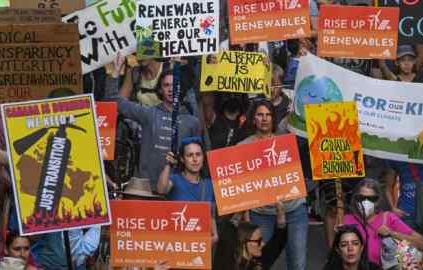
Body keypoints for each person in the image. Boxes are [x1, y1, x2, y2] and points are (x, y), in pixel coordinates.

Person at [105, 53, 201, 193]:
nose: (170, 88)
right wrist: (114, 72)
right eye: (166, 85)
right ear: (160, 90)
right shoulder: (149, 114)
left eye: (174, 85)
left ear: (181, 88)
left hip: (179, 190)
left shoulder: (192, 122)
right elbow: (115, 100)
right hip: (147, 188)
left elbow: (197, 160)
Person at [239, 100, 308, 270]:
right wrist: (246, 216)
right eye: (260, 115)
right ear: (253, 119)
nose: (265, 119)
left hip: (294, 209)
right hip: (261, 214)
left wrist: (296, 112)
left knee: (298, 263)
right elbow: (240, 188)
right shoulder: (242, 147)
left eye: (268, 115)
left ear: (273, 118)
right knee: (259, 263)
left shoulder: (286, 141)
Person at [344, 178, 423, 268]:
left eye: (372, 198)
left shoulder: (388, 218)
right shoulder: (346, 220)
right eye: (361, 197)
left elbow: (421, 243)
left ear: (378, 200)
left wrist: (392, 233)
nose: (366, 202)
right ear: (355, 199)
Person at [157, 137, 218, 243]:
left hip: (200, 242)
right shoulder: (174, 179)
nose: (195, 159)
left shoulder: (209, 184)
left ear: (203, 158)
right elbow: (161, 190)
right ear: (182, 159)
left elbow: (211, 215)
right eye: (190, 155)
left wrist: (215, 235)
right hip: (176, 242)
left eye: (198, 154)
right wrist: (168, 165)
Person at [218, 202, 287, 270]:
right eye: (258, 241)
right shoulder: (228, 260)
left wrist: (280, 212)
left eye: (261, 239)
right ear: (243, 242)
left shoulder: (261, 258)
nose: (263, 243)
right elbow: (227, 232)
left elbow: (278, 242)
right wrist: (240, 211)